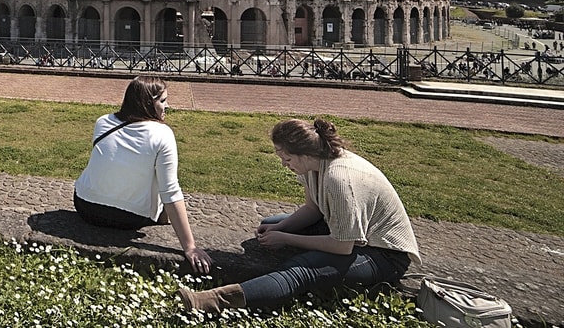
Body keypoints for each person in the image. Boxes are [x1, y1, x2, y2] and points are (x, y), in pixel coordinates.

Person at [178, 118, 420, 313]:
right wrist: (280, 228)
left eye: (287, 158)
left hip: (384, 254)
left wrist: (287, 238)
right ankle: (295, 254)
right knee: (270, 225)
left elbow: (342, 246)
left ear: (303, 153)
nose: (284, 164)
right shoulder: (313, 164)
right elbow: (312, 209)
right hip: (350, 234)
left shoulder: (340, 179)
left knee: (301, 270)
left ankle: (213, 300)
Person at [73, 76, 213, 274]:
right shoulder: (162, 134)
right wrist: (190, 247)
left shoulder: (103, 121)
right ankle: (161, 217)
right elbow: (170, 192)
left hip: (85, 205)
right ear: (148, 103)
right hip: (129, 218)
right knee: (161, 177)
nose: (167, 106)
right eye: (163, 101)